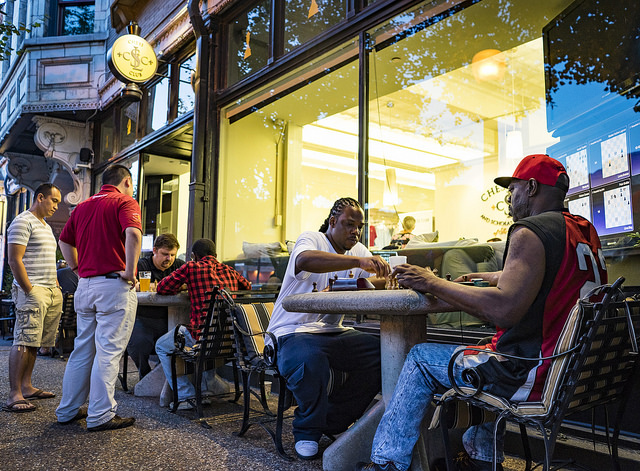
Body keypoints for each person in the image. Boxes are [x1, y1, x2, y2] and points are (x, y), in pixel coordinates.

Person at [356, 154, 608, 471]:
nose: (510, 198)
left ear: (530, 187)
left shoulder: (530, 230)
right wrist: (487, 279)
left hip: (529, 371)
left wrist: (431, 281)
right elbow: (546, 280)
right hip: (570, 369)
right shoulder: (583, 231)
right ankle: (482, 459)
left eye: (512, 189)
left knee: (421, 357)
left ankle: (387, 462)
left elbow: (504, 311)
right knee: (490, 347)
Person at [267, 197, 390, 460]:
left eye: (359, 226)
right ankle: (307, 431)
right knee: (310, 360)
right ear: (333, 222)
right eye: (348, 224)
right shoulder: (312, 239)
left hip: (333, 333)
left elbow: (374, 281)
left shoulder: (358, 250)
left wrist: (398, 274)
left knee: (385, 353)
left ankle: (334, 419)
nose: (355, 231)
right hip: (291, 332)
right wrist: (358, 263)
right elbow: (305, 261)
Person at [55, 165, 142, 432]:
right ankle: (101, 414)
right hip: (113, 286)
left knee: (82, 350)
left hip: (86, 286)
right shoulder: (125, 201)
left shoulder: (81, 207)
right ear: (126, 181)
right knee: (108, 351)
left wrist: (76, 268)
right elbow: (134, 233)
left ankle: (68, 410)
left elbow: (63, 240)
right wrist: (130, 271)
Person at [154, 238, 251, 408]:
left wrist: (184, 285)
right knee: (205, 335)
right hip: (231, 340)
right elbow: (247, 286)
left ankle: (186, 395)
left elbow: (162, 287)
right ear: (215, 255)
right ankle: (206, 388)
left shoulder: (192, 267)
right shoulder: (230, 270)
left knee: (162, 345)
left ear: (193, 256)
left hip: (202, 340)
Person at [3, 183, 63, 413]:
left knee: (35, 341)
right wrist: (29, 289)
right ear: (40, 197)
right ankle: (14, 394)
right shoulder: (22, 221)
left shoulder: (45, 226)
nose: (57, 206)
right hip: (33, 290)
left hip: (49, 289)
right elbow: (14, 260)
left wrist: (55, 283)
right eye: (54, 201)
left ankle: (26, 386)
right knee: (24, 339)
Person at [127, 233, 185, 379]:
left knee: (179, 340)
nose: (169, 259)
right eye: (165, 254)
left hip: (171, 317)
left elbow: (189, 283)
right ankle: (146, 375)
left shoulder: (179, 265)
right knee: (138, 343)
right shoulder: (142, 265)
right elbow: (131, 285)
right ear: (154, 250)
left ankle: (164, 375)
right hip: (144, 316)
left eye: (172, 254)